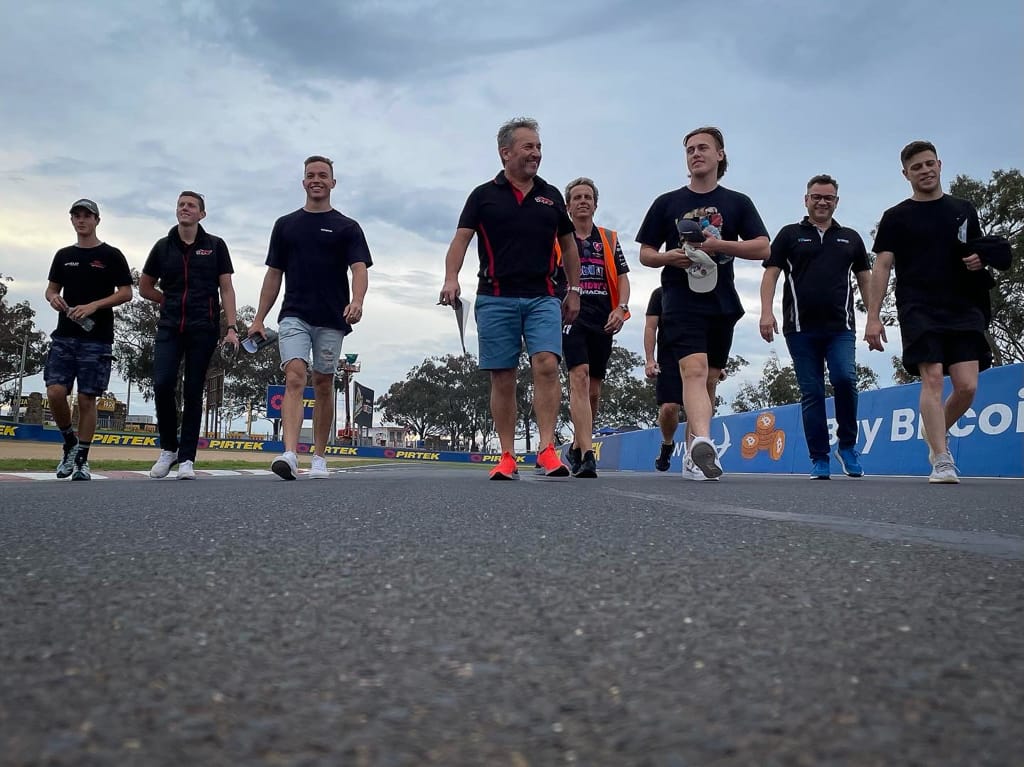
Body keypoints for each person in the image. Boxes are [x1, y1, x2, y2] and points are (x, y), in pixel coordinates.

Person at [440, 117, 581, 480]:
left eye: (538, 147)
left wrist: (575, 289)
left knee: (547, 365)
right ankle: (506, 455)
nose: (535, 153)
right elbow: (461, 240)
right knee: (503, 376)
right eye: (528, 147)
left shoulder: (551, 196)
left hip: (543, 297)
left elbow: (568, 245)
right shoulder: (483, 195)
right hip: (495, 298)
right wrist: (451, 278)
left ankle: (547, 450)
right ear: (506, 153)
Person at [865, 140, 1012, 484]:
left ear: (940, 165)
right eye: (916, 167)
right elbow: (883, 266)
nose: (925, 170)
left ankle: (934, 431)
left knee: (967, 387)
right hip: (918, 305)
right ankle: (942, 459)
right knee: (931, 378)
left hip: (963, 305)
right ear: (906, 174)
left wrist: (980, 258)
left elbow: (975, 249)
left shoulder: (963, 208)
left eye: (929, 164)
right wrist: (873, 315)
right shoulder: (895, 217)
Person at [637, 126, 769, 480]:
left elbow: (762, 247)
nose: (696, 154)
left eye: (703, 148)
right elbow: (645, 254)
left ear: (720, 155)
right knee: (692, 370)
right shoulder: (667, 203)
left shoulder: (737, 202)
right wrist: (671, 257)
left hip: (722, 300)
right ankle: (704, 444)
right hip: (680, 299)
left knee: (709, 379)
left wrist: (720, 246)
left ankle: (695, 450)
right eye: (690, 149)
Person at [249, 156, 372, 480]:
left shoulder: (348, 227)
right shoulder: (286, 225)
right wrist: (259, 318)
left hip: (332, 317)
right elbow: (273, 275)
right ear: (303, 182)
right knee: (294, 375)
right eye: (310, 175)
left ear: (333, 183)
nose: (316, 180)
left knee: (323, 382)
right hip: (294, 315)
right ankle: (289, 454)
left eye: (323, 175)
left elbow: (359, 268)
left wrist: (357, 301)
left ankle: (318, 456)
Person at [760, 174, 871, 480]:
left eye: (829, 198)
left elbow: (865, 278)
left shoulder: (851, 237)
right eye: (816, 197)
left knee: (845, 380)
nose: (822, 202)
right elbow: (770, 275)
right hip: (800, 329)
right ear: (806, 199)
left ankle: (847, 446)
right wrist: (766, 313)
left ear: (836, 201)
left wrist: (874, 317)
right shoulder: (789, 235)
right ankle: (819, 457)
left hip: (841, 328)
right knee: (812, 392)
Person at [140, 191, 239, 480]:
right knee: (162, 384)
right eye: (181, 205)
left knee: (194, 391)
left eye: (191, 206)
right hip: (170, 326)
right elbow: (145, 287)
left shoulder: (216, 246)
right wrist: (167, 302)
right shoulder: (162, 247)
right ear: (176, 211)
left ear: (201, 214)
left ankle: (186, 459)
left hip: (203, 327)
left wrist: (231, 327)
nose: (185, 209)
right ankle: (168, 449)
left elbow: (227, 289)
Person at [43, 199, 133, 481]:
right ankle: (68, 441)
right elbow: (51, 290)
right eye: (76, 216)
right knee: (56, 392)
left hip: (97, 338)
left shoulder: (111, 255)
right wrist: (54, 299)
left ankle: (82, 458)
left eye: (87, 216)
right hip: (64, 336)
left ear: (97, 220)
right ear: (71, 220)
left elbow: (126, 293)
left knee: (86, 399)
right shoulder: (63, 255)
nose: (81, 220)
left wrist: (95, 305)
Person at [560, 177, 630, 478]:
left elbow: (623, 277)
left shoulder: (609, 238)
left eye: (588, 196)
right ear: (568, 205)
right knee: (579, 375)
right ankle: (589, 454)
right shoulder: (559, 238)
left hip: (603, 316)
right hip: (571, 316)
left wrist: (622, 308)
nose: (583, 201)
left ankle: (577, 444)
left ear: (595, 204)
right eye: (577, 197)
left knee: (594, 390)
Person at [643, 287, 683, 473]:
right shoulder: (660, 294)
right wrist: (650, 359)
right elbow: (651, 327)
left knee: (695, 407)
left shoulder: (706, 290)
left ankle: (694, 455)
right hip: (669, 357)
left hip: (699, 357)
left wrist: (718, 364)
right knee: (669, 408)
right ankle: (667, 444)